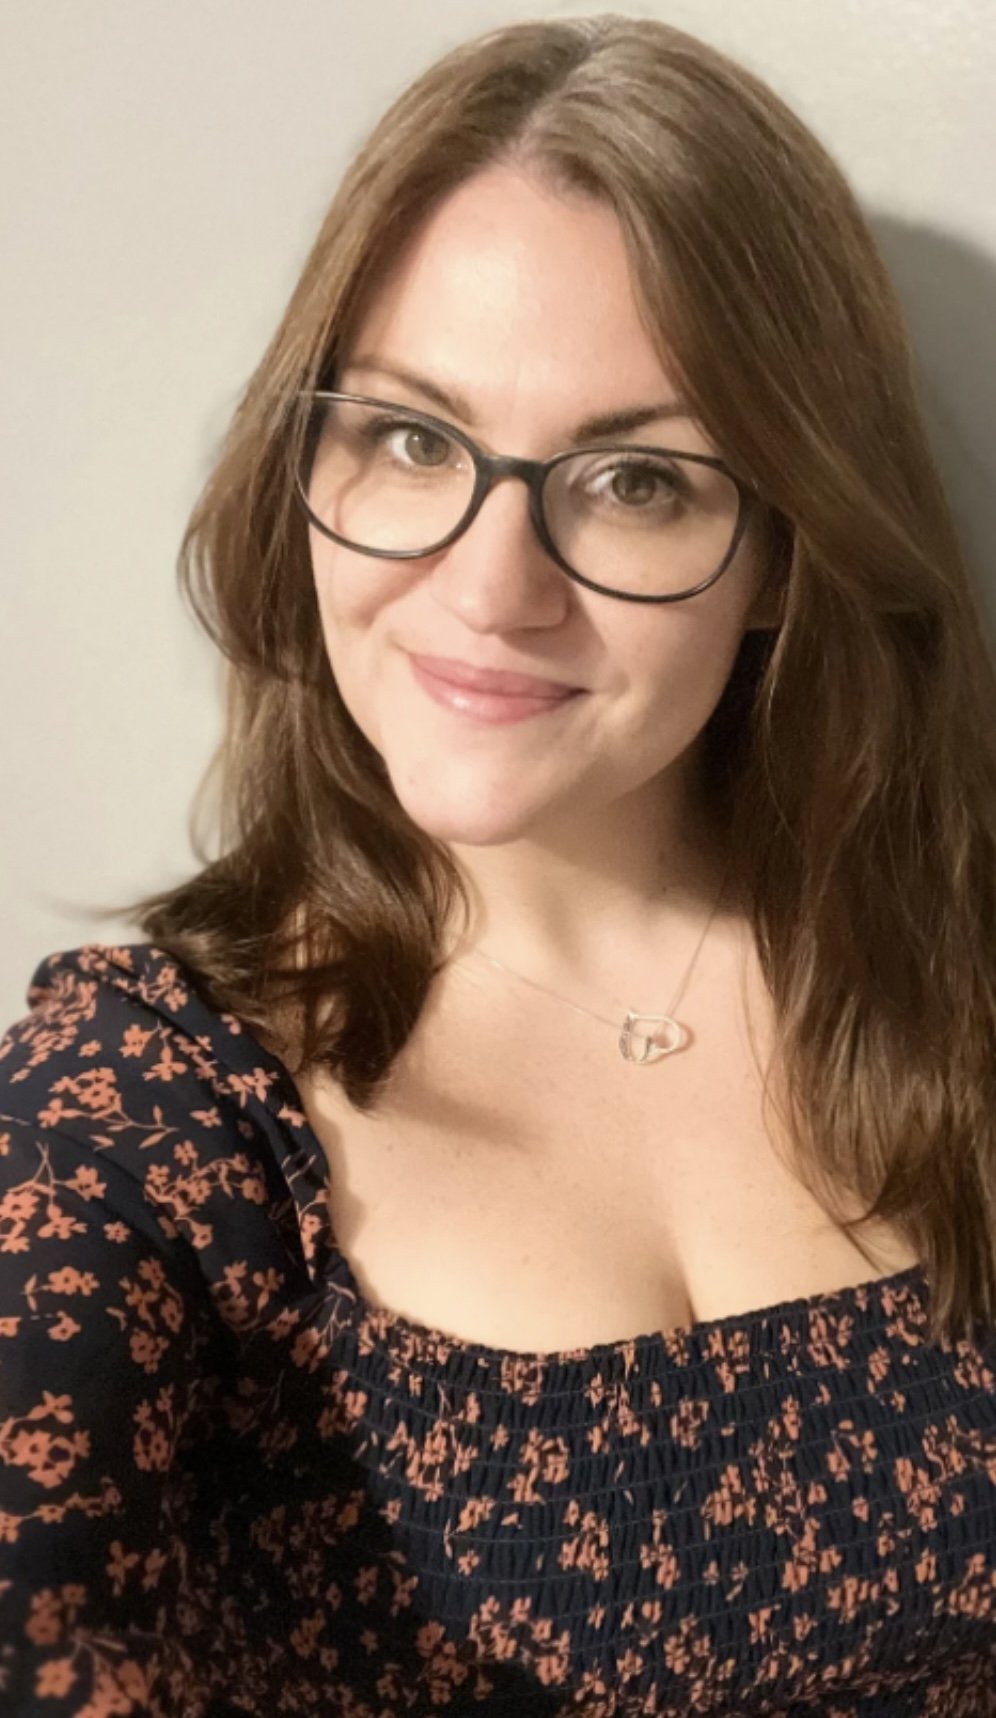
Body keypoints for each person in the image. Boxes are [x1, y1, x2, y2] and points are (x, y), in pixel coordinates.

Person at [2, 13, 995, 1715]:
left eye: (632, 480)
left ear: (782, 553)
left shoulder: (956, 967)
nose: (489, 586)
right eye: (408, 440)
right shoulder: (158, 1090)